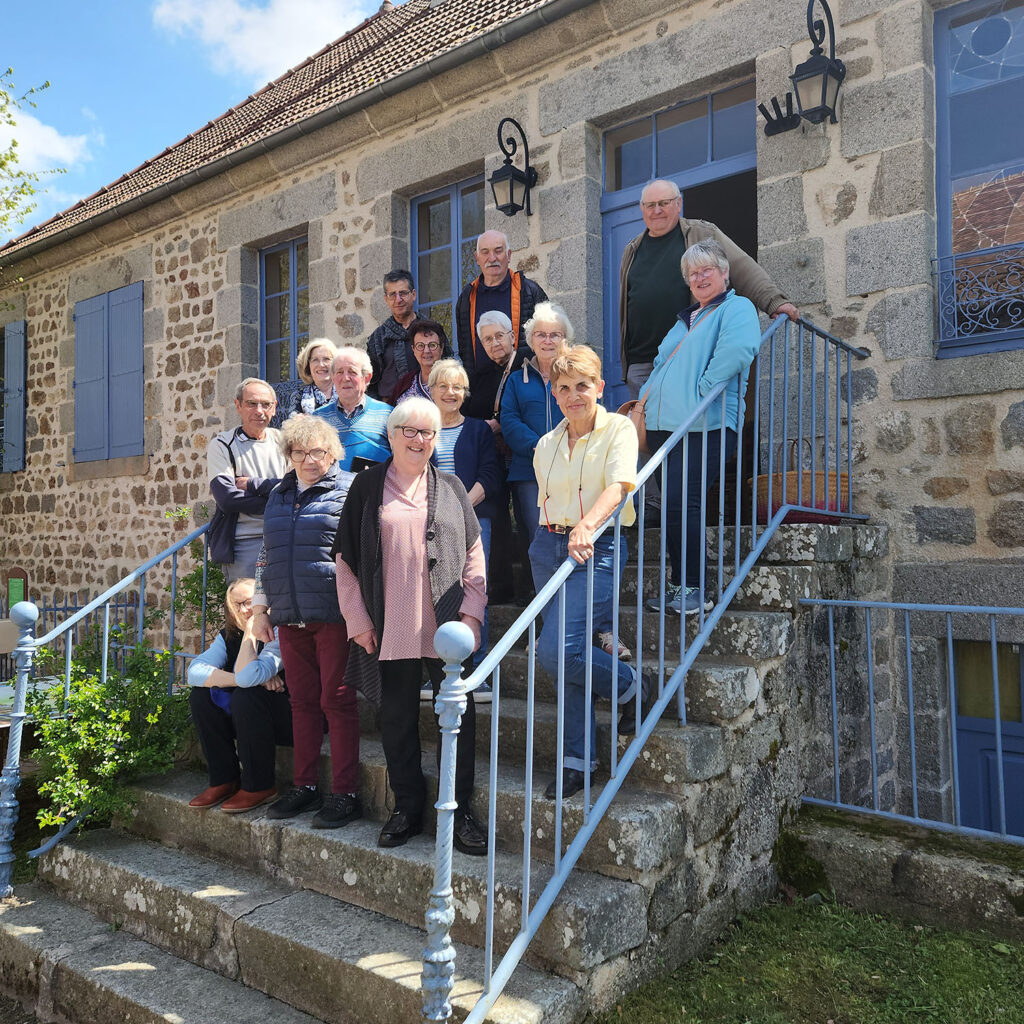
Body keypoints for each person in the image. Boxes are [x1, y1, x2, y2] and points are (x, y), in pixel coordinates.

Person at [333, 397, 488, 856]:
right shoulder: (367, 486)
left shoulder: (454, 487)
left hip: (447, 625)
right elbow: (344, 561)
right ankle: (407, 806)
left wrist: (472, 613)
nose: (420, 441)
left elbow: (475, 553)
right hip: (390, 624)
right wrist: (357, 619)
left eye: (428, 433)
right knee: (397, 719)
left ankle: (459, 811)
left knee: (457, 719)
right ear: (393, 434)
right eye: (411, 432)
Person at [530, 346, 643, 801]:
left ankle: (633, 686)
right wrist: (552, 540)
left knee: (559, 650)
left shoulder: (618, 428)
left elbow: (618, 486)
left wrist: (586, 526)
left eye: (583, 385)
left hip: (597, 544)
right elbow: (545, 501)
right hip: (549, 546)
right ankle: (577, 760)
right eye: (564, 387)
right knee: (564, 656)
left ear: (599, 387)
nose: (574, 395)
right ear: (554, 394)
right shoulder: (546, 444)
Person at [640, 239, 763, 616]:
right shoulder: (685, 320)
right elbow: (660, 364)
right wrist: (643, 402)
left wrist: (702, 391)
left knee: (684, 503)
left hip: (704, 423)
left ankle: (695, 590)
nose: (700, 277)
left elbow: (739, 350)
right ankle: (680, 588)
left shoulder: (736, 307)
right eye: (693, 274)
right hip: (667, 427)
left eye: (706, 269)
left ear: (724, 273)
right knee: (672, 508)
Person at [250, 415, 360, 829]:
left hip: (334, 614)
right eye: (300, 451)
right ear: (289, 455)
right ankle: (305, 785)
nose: (310, 459)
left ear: (332, 452)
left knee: (338, 701)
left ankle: (345, 793)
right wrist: (261, 609)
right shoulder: (278, 495)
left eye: (318, 451)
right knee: (301, 703)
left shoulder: (350, 490)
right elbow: (266, 555)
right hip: (288, 616)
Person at [619, 179, 798, 401]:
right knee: (647, 431)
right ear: (642, 209)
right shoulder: (632, 250)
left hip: (689, 353)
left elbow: (742, 267)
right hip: (642, 362)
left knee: (686, 426)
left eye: (664, 203)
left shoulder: (702, 234)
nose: (657, 210)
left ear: (678, 203)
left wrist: (773, 300)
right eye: (650, 205)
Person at [186, 578, 292, 812]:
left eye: (249, 602)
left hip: (290, 719)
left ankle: (260, 785)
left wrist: (251, 635)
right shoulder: (228, 636)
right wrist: (244, 680)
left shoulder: (280, 632)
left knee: (247, 695)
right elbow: (194, 672)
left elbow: (247, 677)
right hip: (249, 720)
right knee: (200, 696)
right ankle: (224, 779)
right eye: (237, 605)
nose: (244, 610)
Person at [428, 358, 501, 687]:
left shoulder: (478, 429)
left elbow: (490, 475)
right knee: (434, 593)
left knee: (474, 590)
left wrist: (459, 505)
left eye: (457, 387)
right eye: (442, 386)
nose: (450, 392)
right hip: (428, 524)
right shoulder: (421, 429)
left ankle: (477, 668)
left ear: (465, 392)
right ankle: (437, 670)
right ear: (431, 390)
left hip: (473, 521)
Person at [463, 310, 529, 605]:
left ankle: (529, 589)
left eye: (499, 336)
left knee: (528, 521)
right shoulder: (481, 375)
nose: (494, 344)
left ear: (512, 336)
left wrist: (503, 422)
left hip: (523, 452)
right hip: (492, 456)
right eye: (487, 340)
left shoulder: (526, 363)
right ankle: (499, 586)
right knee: (498, 519)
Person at [500, 301, 571, 557]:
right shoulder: (517, 380)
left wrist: (564, 448)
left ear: (565, 339)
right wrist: (541, 447)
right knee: (537, 536)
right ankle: (542, 594)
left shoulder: (575, 378)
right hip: (529, 471)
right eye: (541, 334)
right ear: (531, 340)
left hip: (572, 467)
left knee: (570, 533)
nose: (547, 340)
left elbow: (588, 414)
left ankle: (567, 594)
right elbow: (509, 420)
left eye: (555, 334)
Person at [208, 378, 286, 581]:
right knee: (245, 609)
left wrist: (252, 484)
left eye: (266, 404)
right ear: (238, 406)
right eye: (252, 403)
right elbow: (228, 499)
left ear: (274, 408)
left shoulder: (284, 442)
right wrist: (279, 497)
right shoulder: (222, 445)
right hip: (245, 543)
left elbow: (296, 488)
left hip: (283, 538)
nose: (259, 411)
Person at [455, 230, 547, 395]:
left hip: (525, 390)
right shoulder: (467, 298)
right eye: (485, 252)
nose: (492, 258)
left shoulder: (528, 291)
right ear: (477, 258)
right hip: (480, 395)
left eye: (498, 251)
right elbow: (464, 349)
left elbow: (550, 339)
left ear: (509, 255)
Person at [314, 347, 392, 470]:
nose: (345, 378)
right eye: (339, 372)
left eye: (352, 372)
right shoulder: (318, 418)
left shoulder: (388, 415)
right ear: (333, 378)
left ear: (367, 378)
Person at [366, 270, 419, 403]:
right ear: (386, 299)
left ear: (413, 294)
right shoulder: (377, 338)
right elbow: (370, 382)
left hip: (426, 408)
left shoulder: (430, 331)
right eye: (392, 294)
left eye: (403, 293)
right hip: (388, 411)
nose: (398, 300)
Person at [271, 337, 338, 424]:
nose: (321, 365)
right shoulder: (298, 396)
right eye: (315, 360)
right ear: (308, 366)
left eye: (326, 359)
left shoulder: (346, 391)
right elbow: (293, 428)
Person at [391, 318, 453, 404]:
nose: (426, 350)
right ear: (413, 349)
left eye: (432, 345)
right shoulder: (404, 383)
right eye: (420, 346)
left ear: (441, 348)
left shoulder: (455, 381)